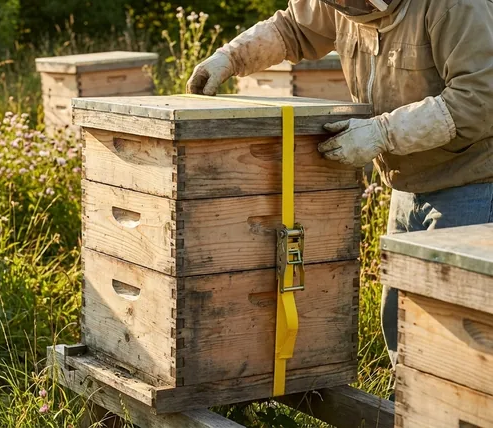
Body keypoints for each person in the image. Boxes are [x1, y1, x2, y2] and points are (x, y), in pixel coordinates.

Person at [187, 0, 493, 393]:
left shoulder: (456, 6)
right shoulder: (340, 4)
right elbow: (293, 28)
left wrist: (382, 133)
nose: (343, 7)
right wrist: (229, 58)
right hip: (408, 183)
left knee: (457, 337)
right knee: (403, 322)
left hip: (474, 183)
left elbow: (480, 100)